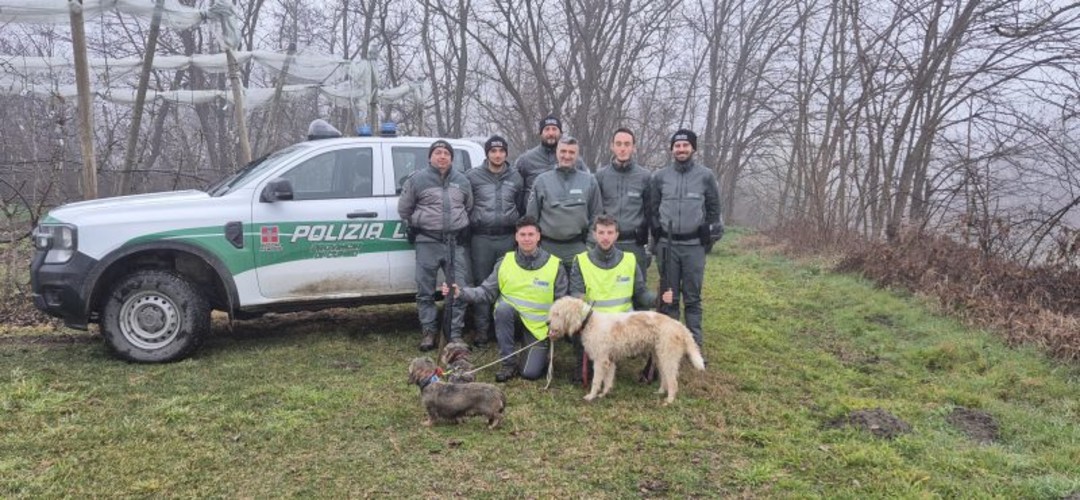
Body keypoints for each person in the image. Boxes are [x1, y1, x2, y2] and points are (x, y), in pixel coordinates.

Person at [443, 216, 568, 382]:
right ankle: (508, 363)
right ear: (516, 237)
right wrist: (460, 292)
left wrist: (556, 325)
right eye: (522, 234)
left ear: (539, 236)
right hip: (510, 320)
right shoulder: (504, 262)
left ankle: (537, 353)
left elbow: (562, 302)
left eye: (531, 234)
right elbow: (486, 292)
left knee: (530, 374)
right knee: (502, 308)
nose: (527, 238)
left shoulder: (554, 265)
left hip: (539, 327)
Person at [569, 214, 672, 383]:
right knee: (583, 378)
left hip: (623, 325)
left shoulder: (630, 260)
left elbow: (641, 293)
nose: (605, 237)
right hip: (594, 325)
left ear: (617, 235)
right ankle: (585, 361)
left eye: (610, 232)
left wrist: (658, 299)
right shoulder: (580, 261)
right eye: (601, 232)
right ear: (594, 234)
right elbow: (575, 294)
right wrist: (581, 301)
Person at [648, 129, 722, 350]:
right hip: (667, 246)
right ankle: (668, 344)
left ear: (693, 148)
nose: (681, 149)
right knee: (668, 297)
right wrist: (657, 235)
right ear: (672, 149)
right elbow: (652, 209)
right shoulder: (660, 177)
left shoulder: (706, 176)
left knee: (692, 298)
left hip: (693, 247)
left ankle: (693, 345)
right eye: (677, 146)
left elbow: (714, 209)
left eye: (685, 146)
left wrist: (706, 238)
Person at [398, 139, 473, 351]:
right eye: (438, 152)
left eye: (446, 153)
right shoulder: (417, 180)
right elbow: (404, 209)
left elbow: (469, 206)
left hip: (454, 242)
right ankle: (429, 332)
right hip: (427, 241)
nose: (442, 157)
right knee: (425, 290)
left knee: (459, 288)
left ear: (451, 158)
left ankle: (455, 333)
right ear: (430, 157)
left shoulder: (462, 180)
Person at [465, 135, 524, 347]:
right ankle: (482, 331)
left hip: (507, 237)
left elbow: (520, 205)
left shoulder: (516, 177)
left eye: (501, 151)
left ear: (506, 153)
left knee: (506, 283)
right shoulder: (473, 177)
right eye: (493, 151)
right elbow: (467, 204)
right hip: (481, 238)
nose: (497, 155)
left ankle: (505, 330)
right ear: (487, 153)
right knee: (482, 283)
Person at [525, 135, 602, 270]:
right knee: (547, 289)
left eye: (571, 152)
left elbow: (596, 215)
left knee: (579, 290)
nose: (567, 156)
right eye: (563, 151)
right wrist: (535, 247)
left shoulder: (589, 181)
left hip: (578, 247)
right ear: (557, 153)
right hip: (547, 249)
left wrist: (590, 245)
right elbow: (531, 218)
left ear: (577, 155)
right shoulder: (542, 181)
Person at [595, 127, 652, 272]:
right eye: (618, 144)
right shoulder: (600, 176)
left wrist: (649, 245)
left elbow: (650, 213)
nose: (622, 148)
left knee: (636, 290)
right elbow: (595, 211)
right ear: (612, 146)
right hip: (607, 244)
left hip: (634, 244)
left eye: (627, 144)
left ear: (633, 147)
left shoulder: (644, 177)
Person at [516, 115, 587, 194]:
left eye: (554, 129)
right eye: (547, 129)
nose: (551, 133)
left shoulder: (574, 160)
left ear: (560, 133)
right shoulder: (526, 160)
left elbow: (587, 186)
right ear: (540, 133)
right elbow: (514, 190)